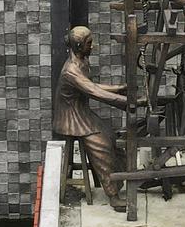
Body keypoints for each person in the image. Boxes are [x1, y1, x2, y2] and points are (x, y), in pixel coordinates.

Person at [53, 26, 132, 212]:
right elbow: (94, 91)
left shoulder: (81, 61)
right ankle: (113, 195)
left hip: (81, 111)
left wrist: (119, 88)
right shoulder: (71, 70)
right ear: (79, 46)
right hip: (71, 117)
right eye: (90, 43)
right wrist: (127, 102)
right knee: (101, 145)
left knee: (111, 136)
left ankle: (121, 178)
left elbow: (91, 85)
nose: (93, 46)